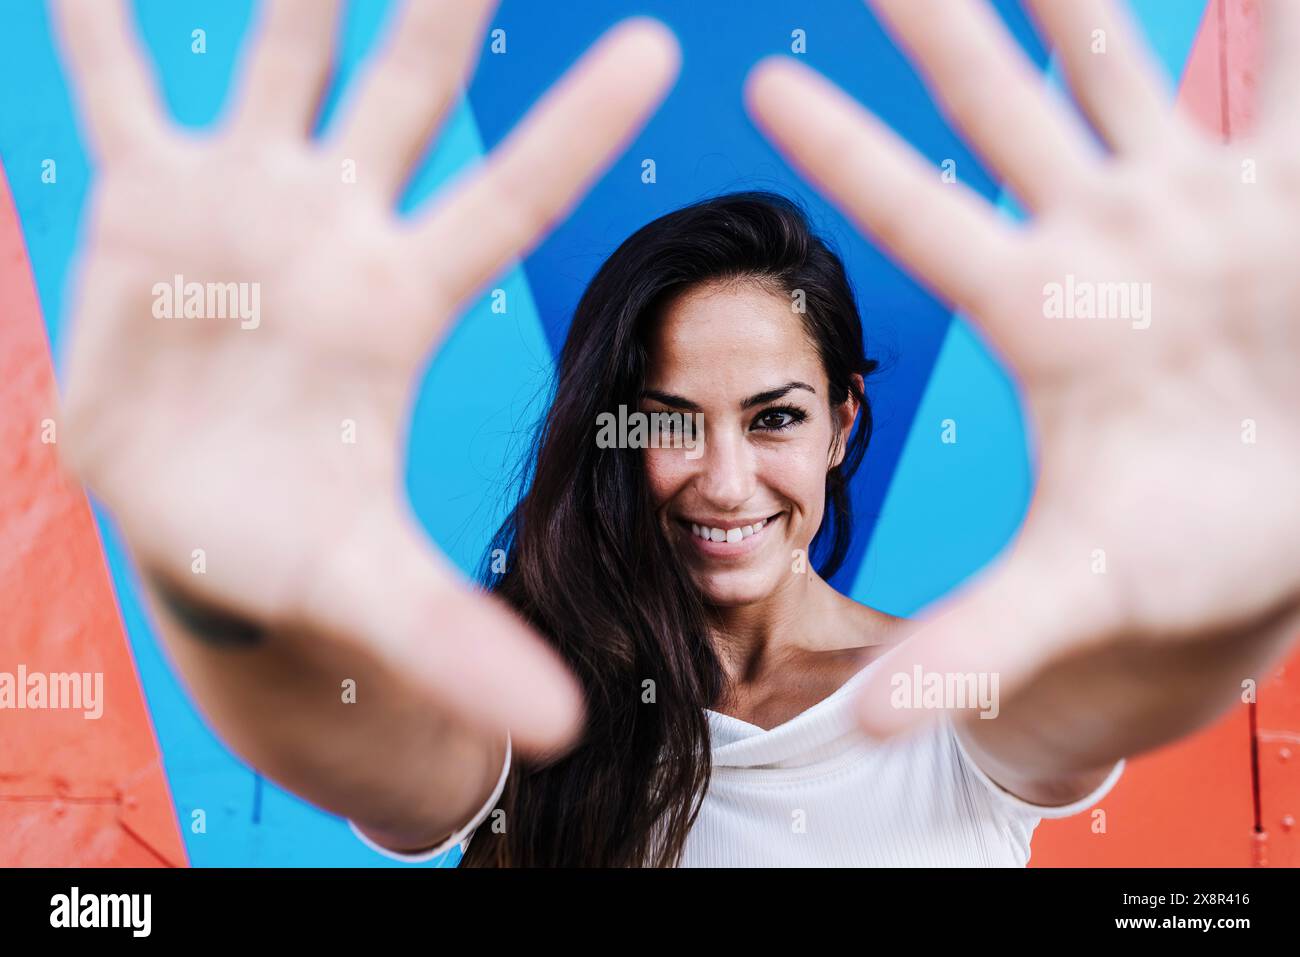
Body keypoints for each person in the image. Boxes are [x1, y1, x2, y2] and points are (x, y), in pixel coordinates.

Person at [49, 0, 1299, 866]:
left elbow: (1118, 693)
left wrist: (1234, 588)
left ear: (842, 424)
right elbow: (355, 738)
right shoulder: (524, 697)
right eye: (665, 419)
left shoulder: (953, 696)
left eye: (775, 419)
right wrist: (219, 592)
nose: (721, 476)